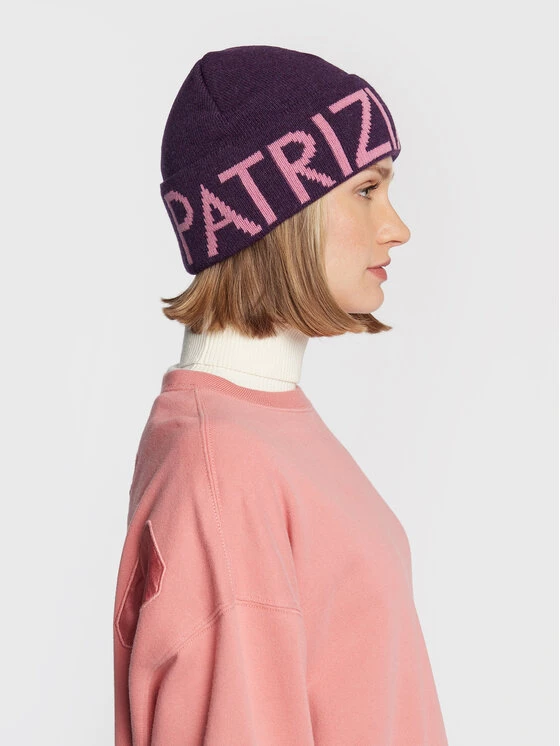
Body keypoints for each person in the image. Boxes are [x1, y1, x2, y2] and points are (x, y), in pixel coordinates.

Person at [113, 45, 449, 745]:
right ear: (275, 213)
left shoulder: (257, 429)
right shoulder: (225, 472)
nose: (398, 228)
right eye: (367, 190)